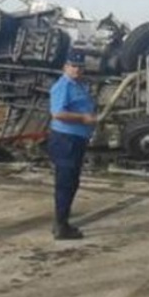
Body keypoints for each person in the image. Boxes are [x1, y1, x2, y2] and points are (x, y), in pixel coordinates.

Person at [48, 49, 97, 240]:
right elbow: (58, 113)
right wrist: (84, 118)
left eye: (80, 67)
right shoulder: (63, 86)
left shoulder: (79, 85)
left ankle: (62, 221)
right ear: (65, 67)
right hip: (65, 139)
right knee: (66, 183)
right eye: (73, 66)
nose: (77, 70)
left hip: (76, 139)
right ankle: (61, 225)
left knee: (72, 182)